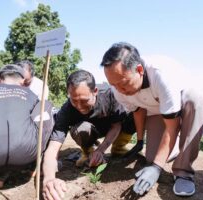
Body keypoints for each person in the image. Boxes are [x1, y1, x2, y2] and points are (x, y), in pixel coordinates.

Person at [101, 42, 203, 196]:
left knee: (194, 100)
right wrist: (139, 141)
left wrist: (157, 168)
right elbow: (138, 110)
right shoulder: (118, 89)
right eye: (114, 85)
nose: (120, 90)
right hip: (156, 110)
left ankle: (184, 171)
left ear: (139, 70)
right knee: (151, 158)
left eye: (123, 84)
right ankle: (177, 145)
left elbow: (172, 126)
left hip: (182, 104)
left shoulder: (162, 75)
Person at [42, 69, 136, 200]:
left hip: (111, 127)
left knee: (133, 114)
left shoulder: (110, 95)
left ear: (95, 91)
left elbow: (116, 126)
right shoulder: (67, 110)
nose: (79, 106)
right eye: (74, 100)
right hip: (89, 130)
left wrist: (101, 150)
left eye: (84, 100)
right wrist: (49, 179)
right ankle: (88, 152)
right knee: (82, 129)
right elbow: (53, 148)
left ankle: (118, 147)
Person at [0, 64, 54, 189]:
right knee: (45, 105)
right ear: (22, 81)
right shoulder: (29, 93)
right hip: (23, 156)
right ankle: (36, 164)